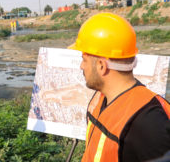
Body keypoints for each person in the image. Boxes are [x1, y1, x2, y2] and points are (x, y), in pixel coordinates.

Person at [68, 13, 170, 162]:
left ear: (102, 66)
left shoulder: (149, 122)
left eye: (84, 60)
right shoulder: (101, 97)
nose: (81, 66)